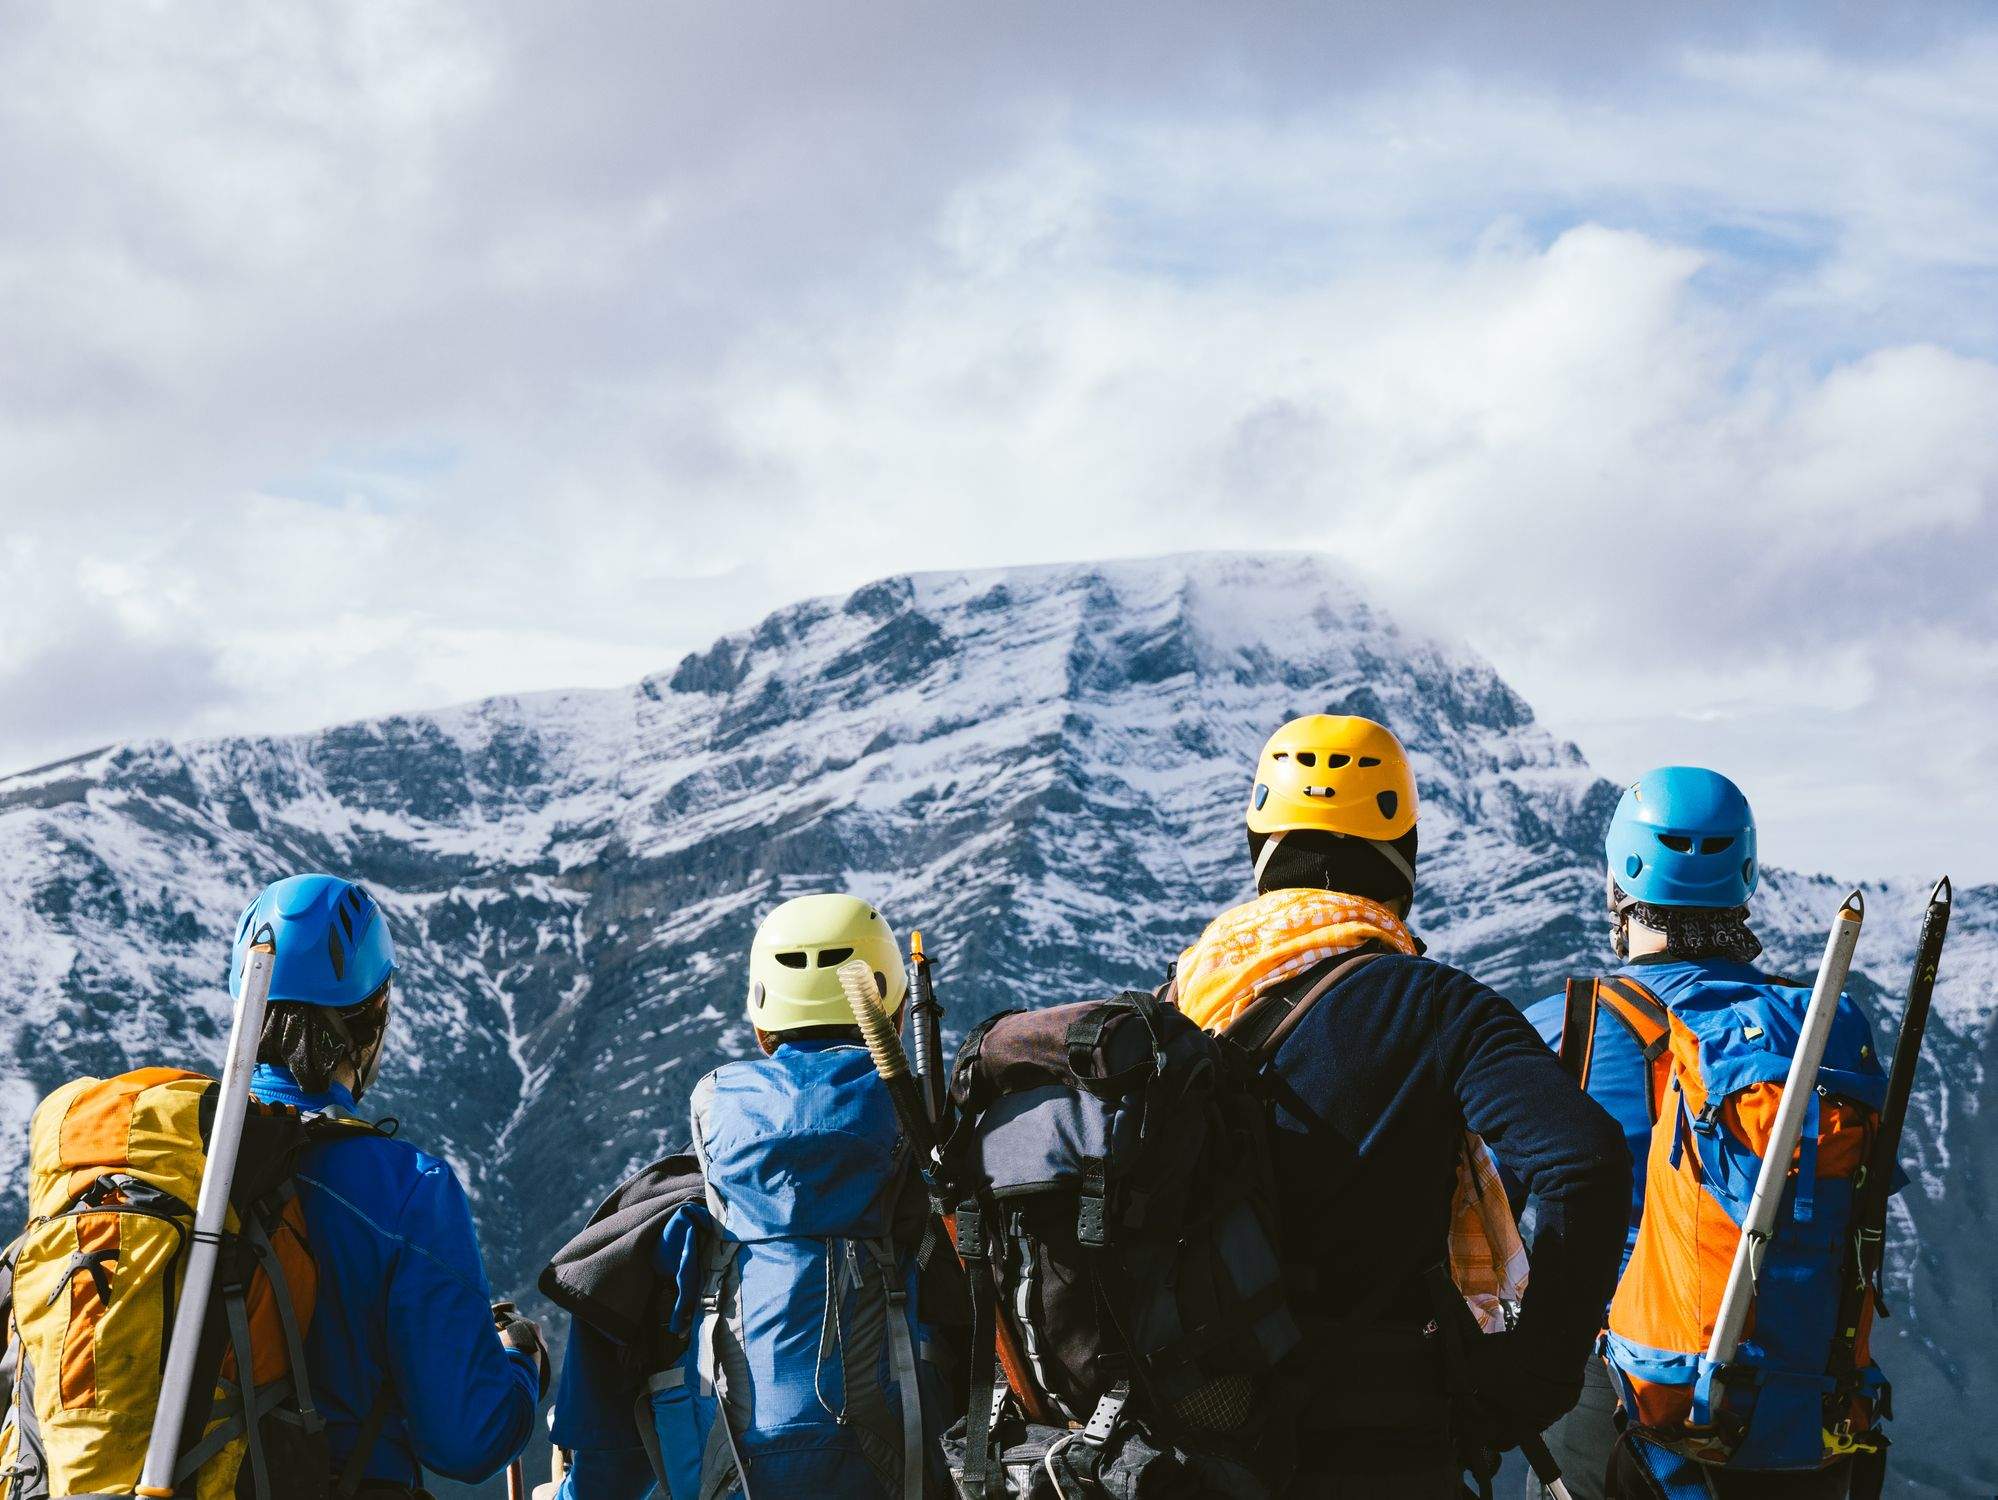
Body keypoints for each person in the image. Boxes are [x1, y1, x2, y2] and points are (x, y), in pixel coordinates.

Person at [1170, 713, 1631, 1499]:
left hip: (1202, 1436)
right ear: (1401, 859)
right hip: (1383, 1439)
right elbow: (1583, 1160)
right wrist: (1534, 1378)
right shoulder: (1434, 1006)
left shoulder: (1178, 1006)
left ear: (1262, 850)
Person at [1522, 769, 1886, 1500]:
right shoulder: (1821, 1035)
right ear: (1743, 880)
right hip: (1799, 1394)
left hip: (1622, 1391)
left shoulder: (1571, 1028)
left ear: (1619, 889)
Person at [542, 893, 956, 1499]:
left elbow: (603, 1471)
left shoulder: (669, 1221)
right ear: (892, 1013)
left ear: (763, 1025)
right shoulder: (947, 1188)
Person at [236, 873, 545, 1496]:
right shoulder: (410, 1190)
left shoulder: (184, 1161)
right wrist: (521, 1362)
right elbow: (468, 1441)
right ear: (372, 1018)